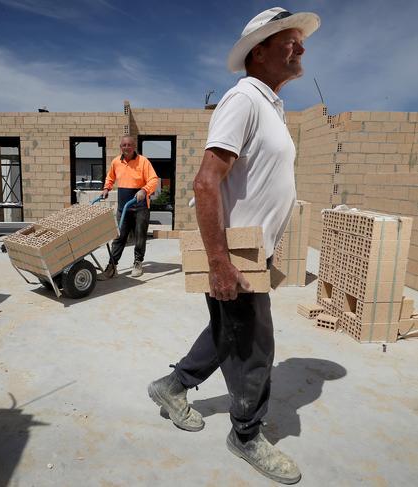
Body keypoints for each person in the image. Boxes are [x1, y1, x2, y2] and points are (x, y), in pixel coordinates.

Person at [148, 7, 320, 485]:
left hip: (249, 252)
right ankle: (245, 434)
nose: (302, 48)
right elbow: (207, 184)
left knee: (228, 332)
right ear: (259, 51)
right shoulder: (243, 100)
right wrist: (221, 262)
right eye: (291, 40)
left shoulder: (269, 106)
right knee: (254, 344)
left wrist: (268, 248)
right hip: (232, 254)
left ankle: (172, 386)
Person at [98, 135, 158, 279]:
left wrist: (144, 190)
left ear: (134, 146)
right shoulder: (116, 162)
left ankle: (138, 262)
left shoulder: (143, 161)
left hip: (140, 206)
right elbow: (110, 177)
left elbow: (153, 179)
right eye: (124, 145)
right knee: (119, 237)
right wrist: (106, 188)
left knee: (139, 236)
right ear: (121, 147)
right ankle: (112, 266)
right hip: (123, 206)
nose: (126, 147)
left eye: (129, 145)